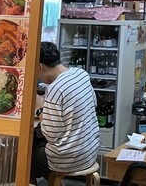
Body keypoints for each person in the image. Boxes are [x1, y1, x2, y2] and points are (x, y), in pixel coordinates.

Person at [30, 42, 100, 185]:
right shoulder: (81, 74)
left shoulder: (55, 89)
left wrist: (40, 109)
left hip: (68, 159)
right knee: (38, 146)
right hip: (90, 152)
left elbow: (51, 134)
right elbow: (94, 103)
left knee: (24, 156)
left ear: (40, 66)